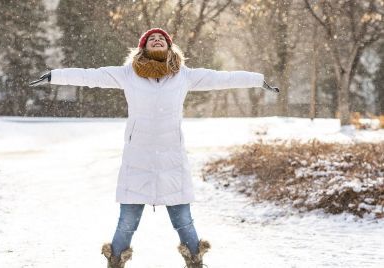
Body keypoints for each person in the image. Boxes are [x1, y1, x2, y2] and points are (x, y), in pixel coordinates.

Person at [30, 28, 279, 268]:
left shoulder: (184, 75)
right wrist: (55, 75)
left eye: (162, 38)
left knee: (183, 221)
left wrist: (258, 80)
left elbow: (221, 78)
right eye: (152, 38)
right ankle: (115, 263)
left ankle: (195, 263)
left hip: (172, 160)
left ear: (169, 46)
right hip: (137, 159)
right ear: (143, 47)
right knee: (127, 223)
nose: (157, 40)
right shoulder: (128, 74)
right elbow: (91, 76)